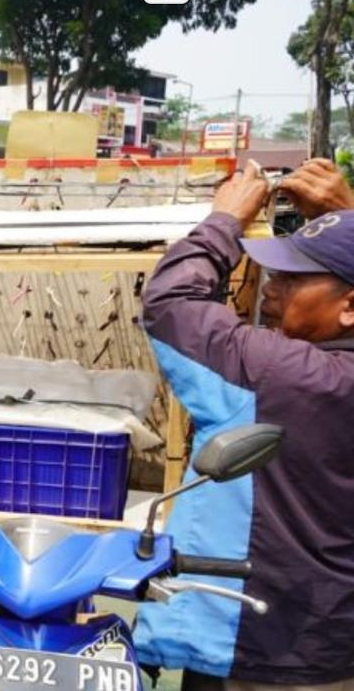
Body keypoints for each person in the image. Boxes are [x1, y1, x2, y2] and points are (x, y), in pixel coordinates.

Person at [134, 159, 354, 689]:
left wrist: (224, 221)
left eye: (294, 278)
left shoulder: (287, 376)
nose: (271, 288)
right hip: (331, 638)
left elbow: (172, 305)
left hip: (255, 638)